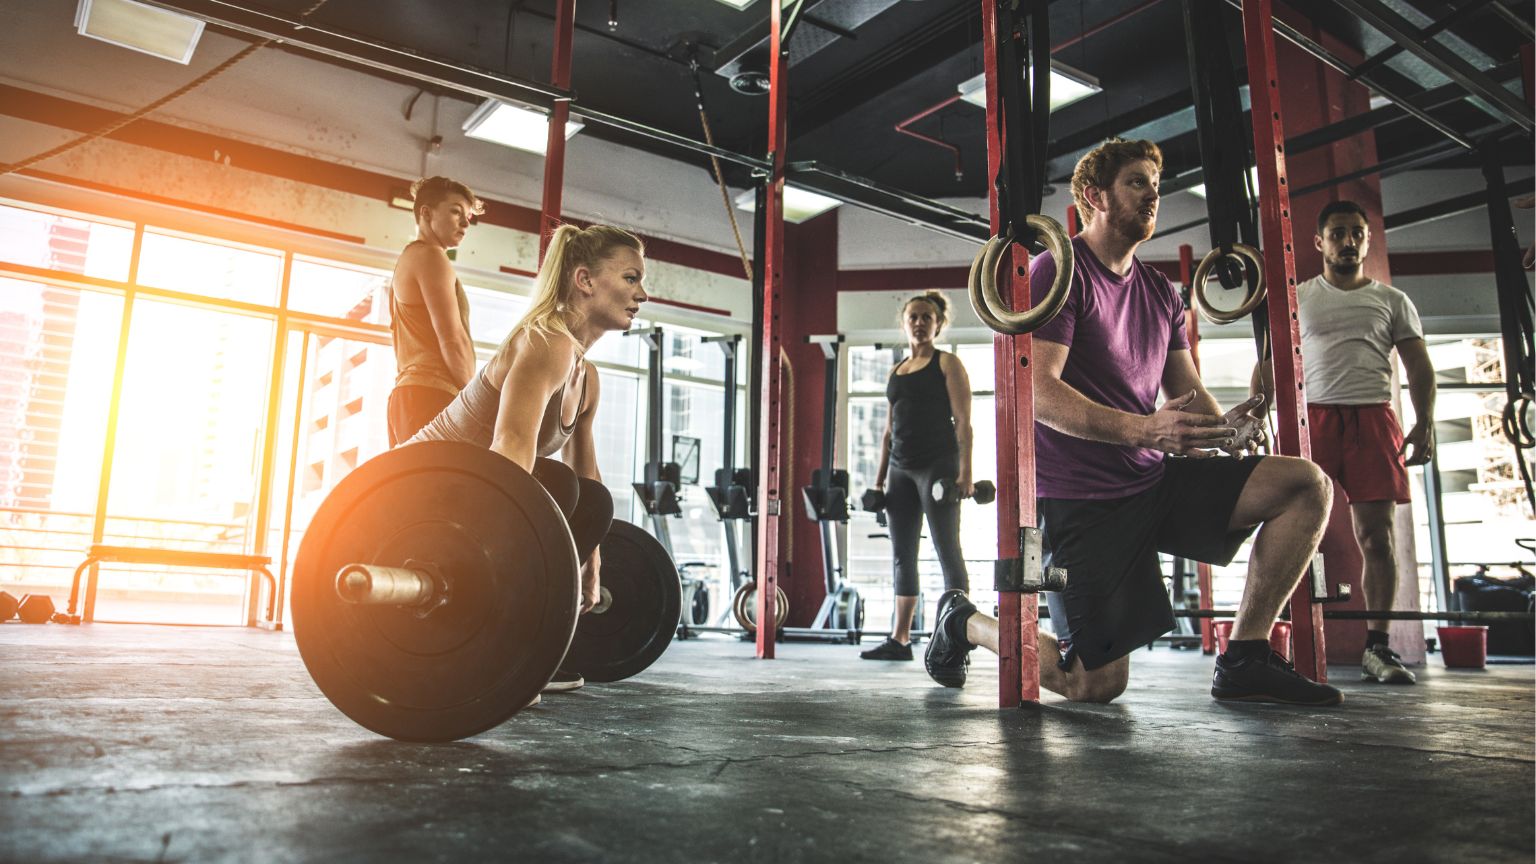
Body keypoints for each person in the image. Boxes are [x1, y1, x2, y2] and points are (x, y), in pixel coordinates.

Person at [924, 137, 1344, 706]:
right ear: (1095, 195)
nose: (1153, 196)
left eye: (1156, 185)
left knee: (1304, 485)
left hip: (1151, 481)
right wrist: (1145, 430)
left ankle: (1245, 654)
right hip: (1083, 497)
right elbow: (1038, 393)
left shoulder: (1159, 291)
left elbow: (1187, 397)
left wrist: (1227, 435)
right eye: (1137, 183)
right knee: (1094, 684)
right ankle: (964, 620)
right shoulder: (1057, 273)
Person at [409, 223, 648, 691]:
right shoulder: (547, 341)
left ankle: (523, 640)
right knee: (554, 486)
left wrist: (592, 562)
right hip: (414, 486)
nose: (643, 293)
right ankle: (501, 638)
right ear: (584, 280)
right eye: (631, 278)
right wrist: (500, 574)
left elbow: (590, 484)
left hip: (466, 490)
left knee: (588, 496)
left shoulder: (586, 376)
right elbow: (510, 451)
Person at [1254, 200, 1436, 685]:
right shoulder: (1299, 297)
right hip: (1312, 420)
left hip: (1374, 420)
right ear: (1319, 242)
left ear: (1367, 240)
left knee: (1377, 538)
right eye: (1338, 233)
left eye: (1357, 232)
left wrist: (1427, 420)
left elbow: (1418, 366)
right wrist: (1256, 414)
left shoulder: (1393, 301)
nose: (1349, 240)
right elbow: (1270, 364)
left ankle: (1378, 649)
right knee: (1290, 532)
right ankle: (1279, 643)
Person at [860, 291, 975, 662]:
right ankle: (900, 639)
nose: (920, 323)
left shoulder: (947, 364)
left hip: (937, 466)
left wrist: (966, 474)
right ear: (904, 322)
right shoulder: (896, 370)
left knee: (947, 548)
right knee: (902, 555)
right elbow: (888, 433)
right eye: (914, 317)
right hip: (899, 470)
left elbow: (965, 423)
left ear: (938, 324)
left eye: (927, 317)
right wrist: (877, 483)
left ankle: (957, 639)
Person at [387, 176, 482, 447]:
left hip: (410, 395)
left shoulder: (409, 258)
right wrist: (476, 402)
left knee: (416, 488)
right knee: (437, 489)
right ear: (426, 213)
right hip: (430, 393)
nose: (465, 223)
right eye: (455, 212)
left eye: (467, 216)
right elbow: (452, 339)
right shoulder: (430, 256)